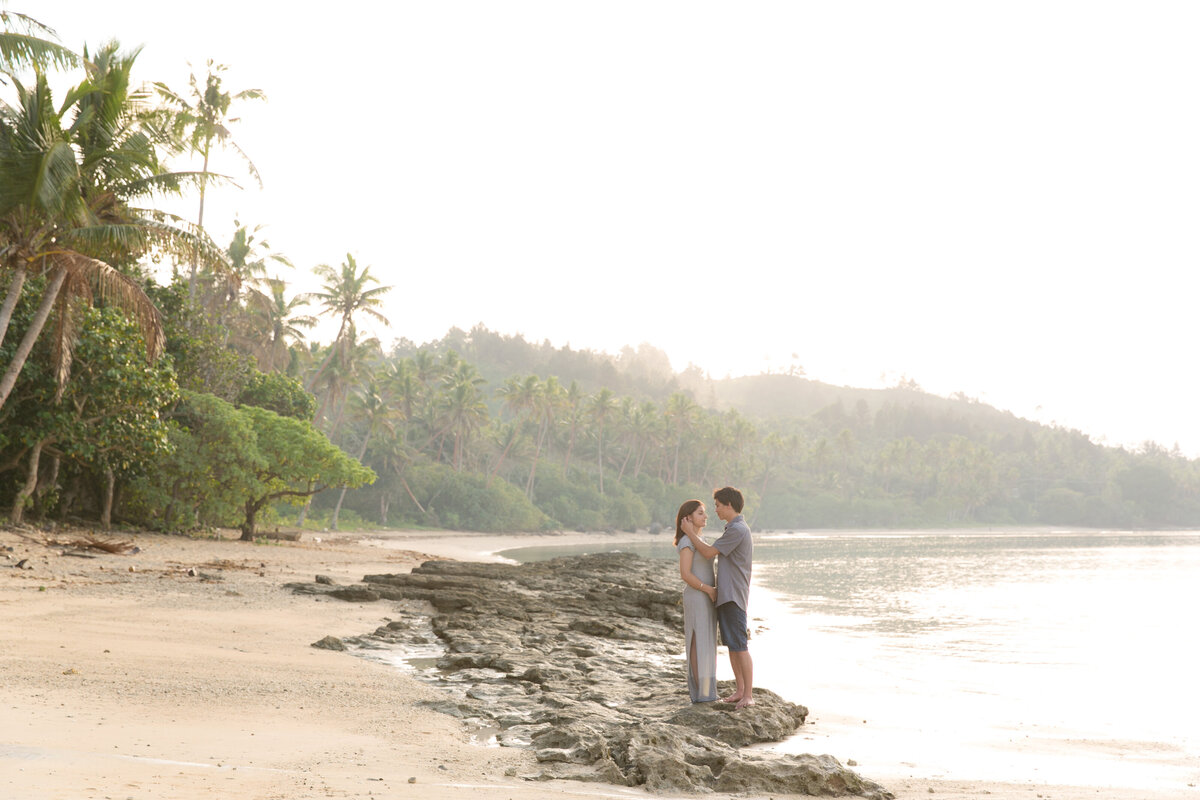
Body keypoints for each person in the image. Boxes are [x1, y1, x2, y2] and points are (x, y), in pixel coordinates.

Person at [681, 486, 754, 708]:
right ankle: (740, 690)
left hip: (733, 595)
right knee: (732, 645)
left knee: (740, 645)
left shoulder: (737, 530)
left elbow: (708, 552)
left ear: (729, 505)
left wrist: (689, 532)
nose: (716, 510)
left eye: (718, 505)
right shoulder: (732, 528)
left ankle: (748, 694)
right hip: (726, 595)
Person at [674, 499, 719, 703]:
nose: (706, 516)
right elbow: (685, 574)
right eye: (700, 513)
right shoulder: (687, 542)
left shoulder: (699, 539)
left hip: (707, 596)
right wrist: (708, 589)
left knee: (707, 641)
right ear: (688, 517)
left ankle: (708, 690)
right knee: (697, 641)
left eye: (704, 512)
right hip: (698, 595)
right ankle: (701, 691)